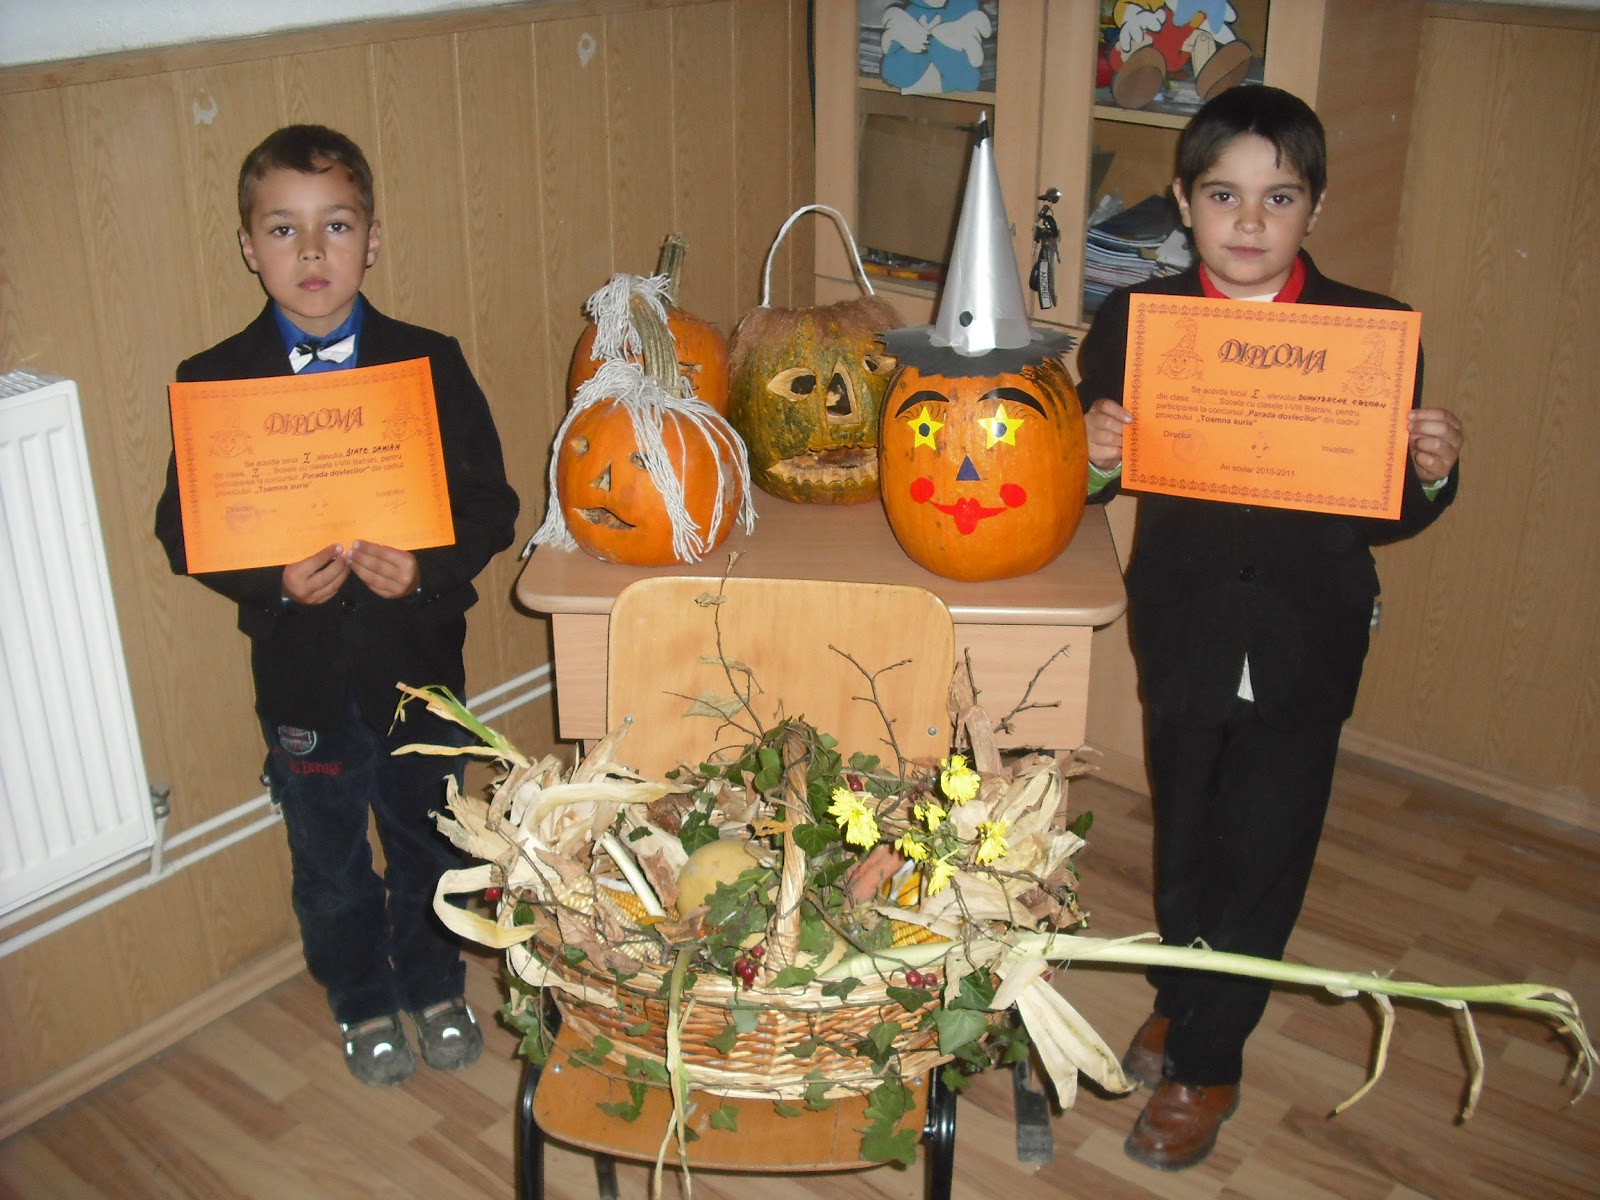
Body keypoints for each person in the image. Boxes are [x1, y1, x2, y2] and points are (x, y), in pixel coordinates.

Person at [1076, 85, 1462, 1170]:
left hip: (1307, 637)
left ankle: (1209, 1063)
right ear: (1183, 203)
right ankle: (1181, 995)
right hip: (1186, 626)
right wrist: (1094, 453)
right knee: (1186, 839)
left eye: (1278, 197)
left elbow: (1383, 514)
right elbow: (1096, 485)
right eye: (1223, 196)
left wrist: (1431, 473)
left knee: (1263, 854)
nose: (1249, 222)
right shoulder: (1134, 323)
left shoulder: (1371, 335)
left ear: (1314, 207)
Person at [154, 125, 519, 1087]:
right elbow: (182, 527)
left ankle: (435, 985)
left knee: (432, 839)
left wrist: (424, 568)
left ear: (373, 239)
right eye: (284, 228)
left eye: (338, 225)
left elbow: (492, 504)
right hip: (304, 684)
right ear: (249, 246)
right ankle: (360, 999)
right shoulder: (214, 381)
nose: (312, 252)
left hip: (419, 674)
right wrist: (272, 580)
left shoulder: (428, 362)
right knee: (327, 861)